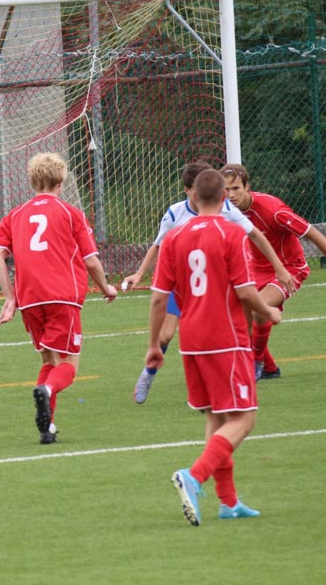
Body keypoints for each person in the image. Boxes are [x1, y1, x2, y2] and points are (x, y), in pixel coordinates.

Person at [146, 168, 282, 526]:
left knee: (216, 418)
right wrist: (269, 310)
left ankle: (228, 502)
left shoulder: (175, 237)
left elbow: (159, 298)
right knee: (244, 418)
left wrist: (153, 345)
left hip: (191, 342)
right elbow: (245, 291)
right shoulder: (232, 233)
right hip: (226, 339)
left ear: (193, 196)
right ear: (224, 197)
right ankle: (194, 476)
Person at [122, 160, 293, 403]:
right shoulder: (175, 213)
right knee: (165, 335)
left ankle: (247, 364)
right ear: (188, 190)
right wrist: (139, 274)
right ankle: (148, 373)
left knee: (234, 323)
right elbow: (158, 245)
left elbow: (255, 234)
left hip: (214, 283)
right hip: (181, 284)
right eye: (197, 187)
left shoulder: (226, 210)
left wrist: (279, 268)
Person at [0, 152, 117, 444]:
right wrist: (105, 288)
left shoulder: (14, 216)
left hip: (29, 299)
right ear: (61, 181)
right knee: (69, 364)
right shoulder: (71, 213)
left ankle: (47, 429)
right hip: (62, 296)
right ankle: (47, 391)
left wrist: (10, 297)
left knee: (49, 359)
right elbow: (91, 261)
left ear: (32, 181)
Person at [221, 163, 326, 380]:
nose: (230, 195)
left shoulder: (273, 210)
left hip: (289, 269)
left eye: (236, 188)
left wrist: (282, 270)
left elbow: (311, 232)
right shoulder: (223, 211)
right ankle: (269, 368)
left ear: (247, 187)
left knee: (260, 310)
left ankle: (256, 361)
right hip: (252, 270)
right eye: (226, 189)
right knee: (239, 318)